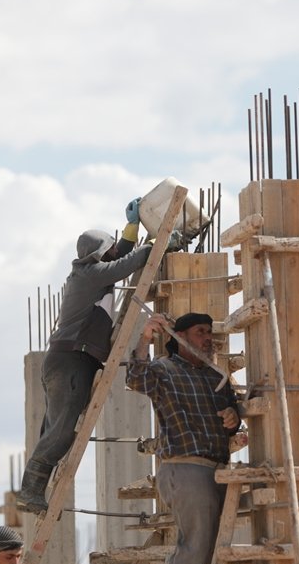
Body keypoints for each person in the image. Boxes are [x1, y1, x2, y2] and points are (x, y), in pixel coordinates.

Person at [15, 197, 179, 515]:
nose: (114, 252)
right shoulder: (91, 274)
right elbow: (128, 261)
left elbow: (121, 254)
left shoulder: (91, 273)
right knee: (62, 429)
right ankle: (30, 488)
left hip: (69, 360)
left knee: (55, 428)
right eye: (110, 249)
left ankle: (31, 488)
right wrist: (161, 244)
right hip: (71, 360)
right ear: (100, 253)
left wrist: (132, 226)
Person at [126, 312, 243, 564]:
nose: (208, 338)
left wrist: (235, 416)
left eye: (210, 331)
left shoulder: (216, 377)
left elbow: (236, 415)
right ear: (180, 337)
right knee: (197, 541)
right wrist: (145, 337)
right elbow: (135, 378)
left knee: (204, 543)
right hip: (185, 466)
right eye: (200, 332)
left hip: (215, 468)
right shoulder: (165, 370)